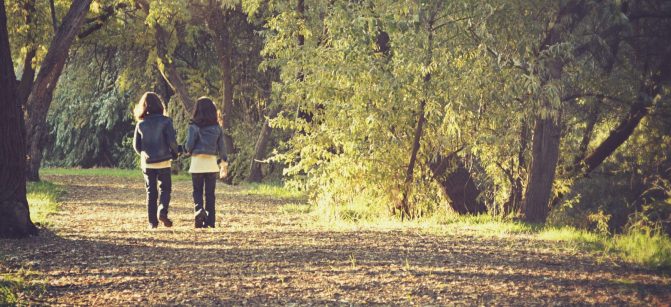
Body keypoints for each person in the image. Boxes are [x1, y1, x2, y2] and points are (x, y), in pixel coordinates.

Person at [132, 92, 179, 229]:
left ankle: (152, 223)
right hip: (164, 161)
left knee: (151, 192)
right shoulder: (166, 121)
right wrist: (174, 154)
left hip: (148, 163)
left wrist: (145, 154)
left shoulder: (141, 124)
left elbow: (136, 146)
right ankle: (162, 211)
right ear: (159, 105)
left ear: (144, 107)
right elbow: (172, 142)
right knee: (165, 189)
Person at [184, 97, 228, 228]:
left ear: (197, 110)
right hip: (211, 164)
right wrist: (224, 162)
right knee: (210, 194)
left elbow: (189, 146)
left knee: (197, 191)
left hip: (197, 163)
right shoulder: (217, 128)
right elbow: (222, 149)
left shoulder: (193, 127)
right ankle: (211, 221)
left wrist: (186, 150)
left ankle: (199, 211)